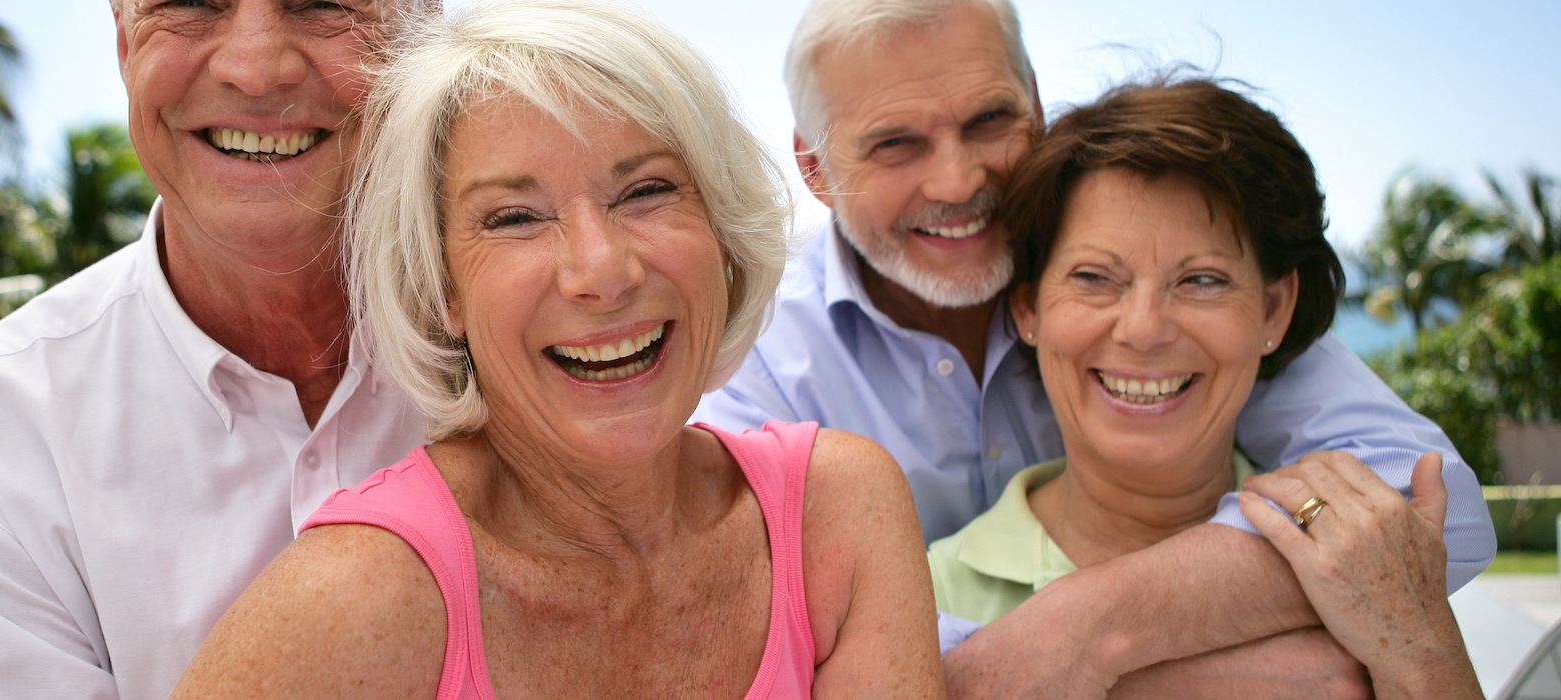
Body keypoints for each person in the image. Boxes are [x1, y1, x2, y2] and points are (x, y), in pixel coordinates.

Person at [688, 0, 1495, 694]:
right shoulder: (752, 357)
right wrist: (1181, 680)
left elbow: (1428, 502)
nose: (957, 181)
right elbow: (759, 633)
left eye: (989, 121)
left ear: (1034, 106)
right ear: (815, 168)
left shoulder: (1141, 255)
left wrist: (1099, 623)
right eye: (895, 143)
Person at [170, 1, 944, 696]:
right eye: (514, 218)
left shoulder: (836, 513)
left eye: (647, 192)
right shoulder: (356, 598)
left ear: (723, 235)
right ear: (442, 289)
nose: (602, 271)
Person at [0, 1, 432, 696]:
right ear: (123, 41)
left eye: (321, 1)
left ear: (424, 28)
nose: (255, 70)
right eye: (191, 3)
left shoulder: (554, 350)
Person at [926, 77, 1483, 697]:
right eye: (1093, 277)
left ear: (1274, 311)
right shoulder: (925, 597)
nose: (1142, 330)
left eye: (1203, 281)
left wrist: (1421, 658)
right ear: (1028, 311)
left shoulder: (1371, 555)